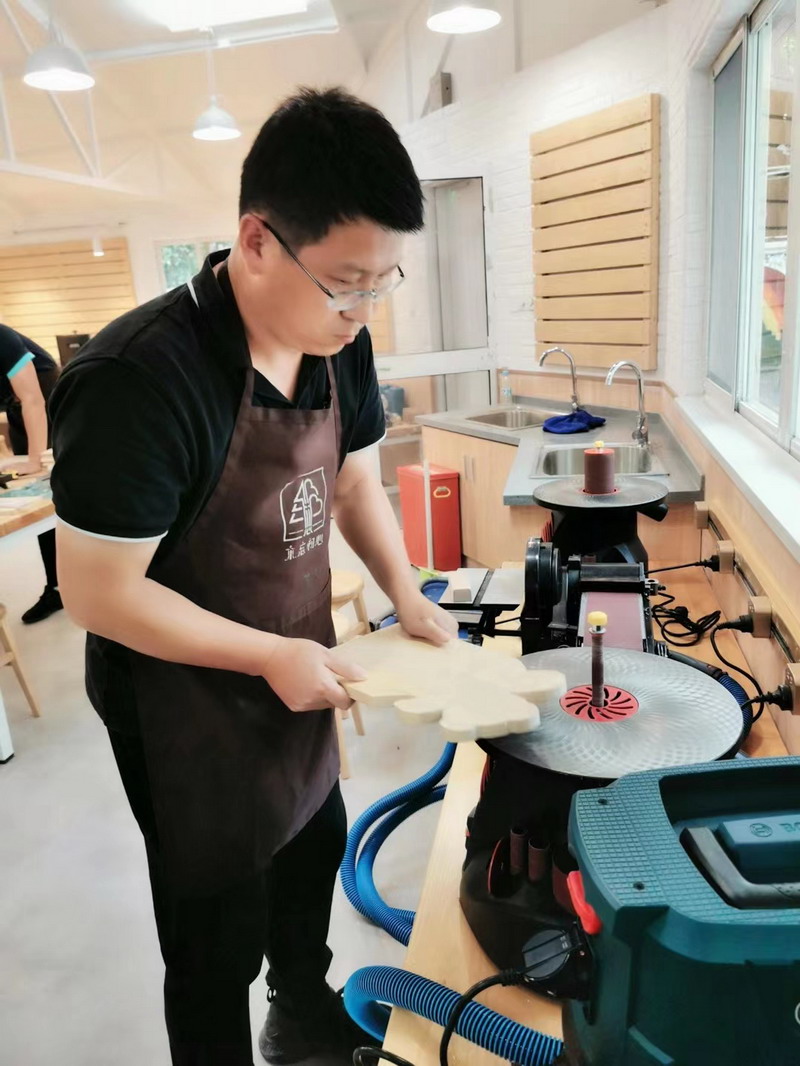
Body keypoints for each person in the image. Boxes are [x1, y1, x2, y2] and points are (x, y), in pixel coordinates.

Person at [50, 88, 458, 1066]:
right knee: (213, 931)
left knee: (313, 841)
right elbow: (98, 593)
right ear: (257, 240)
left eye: (382, 283)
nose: (362, 313)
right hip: (179, 702)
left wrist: (405, 593)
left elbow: (353, 482)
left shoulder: (337, 345)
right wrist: (268, 656)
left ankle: (300, 1011)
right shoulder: (138, 380)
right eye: (346, 284)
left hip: (295, 660)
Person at [0, 323, 62, 623]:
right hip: (16, 403)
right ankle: (56, 588)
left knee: (53, 489)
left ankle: (71, 584)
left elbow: (34, 400)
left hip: (45, 393)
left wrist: (35, 460)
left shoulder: (2, 338)